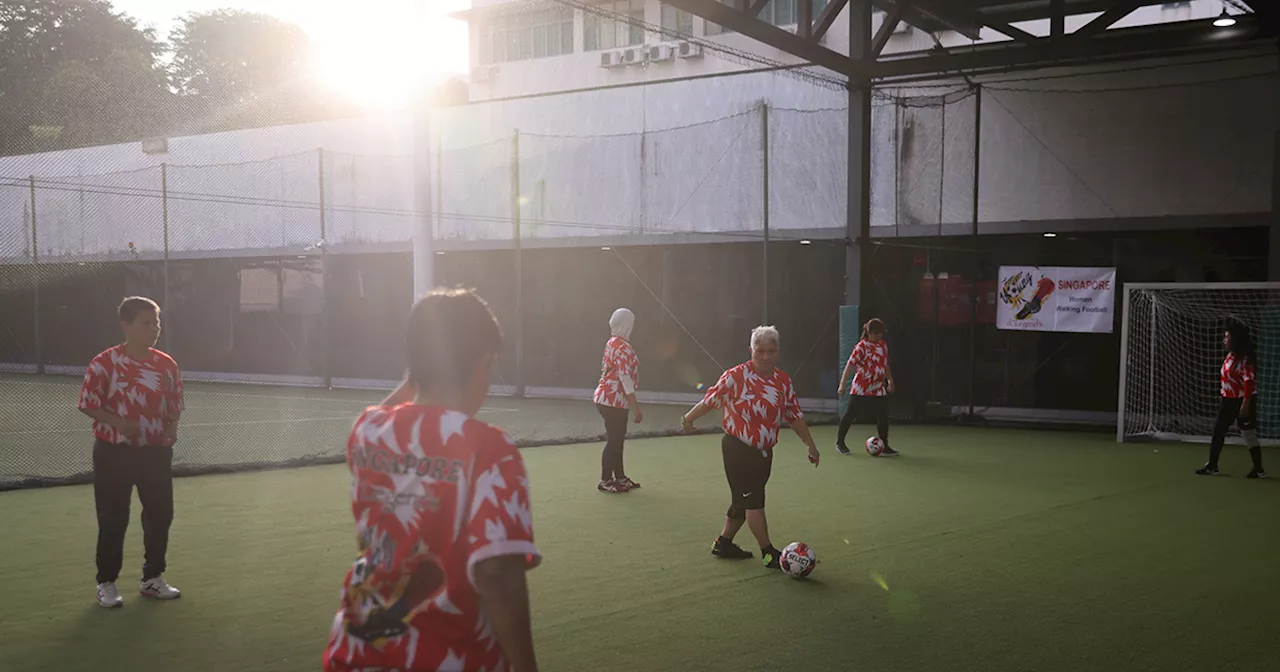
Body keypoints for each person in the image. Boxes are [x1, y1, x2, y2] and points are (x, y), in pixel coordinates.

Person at [324, 288, 542, 672]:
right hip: (448, 659)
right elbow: (496, 574)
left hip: (353, 653)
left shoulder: (367, 431)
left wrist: (423, 371)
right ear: (484, 361)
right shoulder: (490, 450)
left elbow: (389, 409)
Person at [680, 326, 820, 569]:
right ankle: (768, 554)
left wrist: (810, 445)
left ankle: (723, 543)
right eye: (760, 351)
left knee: (743, 501)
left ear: (778, 351)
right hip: (737, 449)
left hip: (764, 453)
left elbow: (794, 415)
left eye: (771, 351)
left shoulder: (782, 381)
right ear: (751, 350)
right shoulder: (735, 377)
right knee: (754, 500)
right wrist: (688, 419)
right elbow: (710, 400)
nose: (765, 357)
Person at [78, 296, 184, 608]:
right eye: (146, 323)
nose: (154, 328)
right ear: (126, 326)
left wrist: (172, 428)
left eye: (157, 322)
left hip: (155, 455)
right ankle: (107, 583)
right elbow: (87, 403)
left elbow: (175, 404)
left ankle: (153, 578)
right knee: (113, 518)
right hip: (114, 454)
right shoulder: (104, 363)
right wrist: (118, 423)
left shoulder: (166, 364)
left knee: (160, 514)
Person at [1197, 320, 1266, 479]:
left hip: (1243, 400)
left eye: (1227, 337)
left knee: (1248, 434)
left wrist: (1246, 403)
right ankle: (1212, 465)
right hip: (1227, 400)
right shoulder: (1229, 356)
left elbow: (1249, 381)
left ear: (1235, 339)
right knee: (1218, 431)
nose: (1224, 339)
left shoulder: (1246, 359)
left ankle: (1259, 468)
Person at [592, 308, 643, 493]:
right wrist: (635, 407)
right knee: (614, 440)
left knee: (617, 439)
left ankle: (620, 478)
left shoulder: (612, 342)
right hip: (613, 401)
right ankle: (605, 480)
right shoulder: (623, 347)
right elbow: (625, 377)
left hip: (606, 399)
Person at [835, 318, 898, 457]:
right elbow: (850, 365)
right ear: (869, 332)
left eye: (881, 333)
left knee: (883, 416)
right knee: (851, 414)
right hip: (861, 388)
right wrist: (842, 384)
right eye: (877, 333)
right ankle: (840, 443)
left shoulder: (883, 345)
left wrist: (890, 380)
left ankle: (885, 445)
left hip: (878, 388)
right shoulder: (861, 347)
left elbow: (885, 364)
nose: (880, 336)